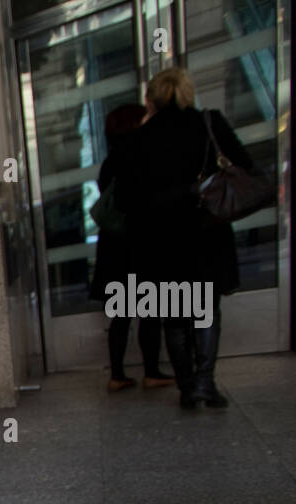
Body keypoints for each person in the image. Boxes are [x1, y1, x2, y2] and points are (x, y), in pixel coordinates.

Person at [116, 68, 256, 409]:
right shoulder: (209, 124)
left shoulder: (138, 140)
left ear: (151, 99)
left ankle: (187, 386)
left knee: (175, 316)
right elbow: (244, 166)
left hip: (161, 239)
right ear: (187, 93)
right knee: (206, 309)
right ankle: (204, 382)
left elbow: (125, 201)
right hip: (206, 231)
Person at [91, 102, 173, 393]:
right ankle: (151, 371)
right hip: (140, 243)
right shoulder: (141, 157)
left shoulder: (110, 161)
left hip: (115, 247)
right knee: (149, 311)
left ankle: (117, 374)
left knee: (121, 315)